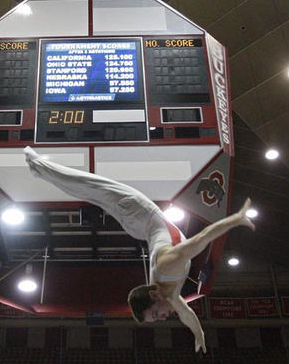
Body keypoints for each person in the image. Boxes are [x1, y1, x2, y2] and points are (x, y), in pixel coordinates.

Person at [23, 146, 254, 353]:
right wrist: (199, 334)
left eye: (155, 314)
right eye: (157, 318)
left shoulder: (167, 266)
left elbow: (203, 238)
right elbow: (187, 315)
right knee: (87, 191)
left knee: (90, 186)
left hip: (137, 211)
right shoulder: (170, 296)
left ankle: (36, 163)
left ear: (154, 295)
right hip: (141, 229)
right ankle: (39, 170)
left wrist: (235, 219)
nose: (162, 318)